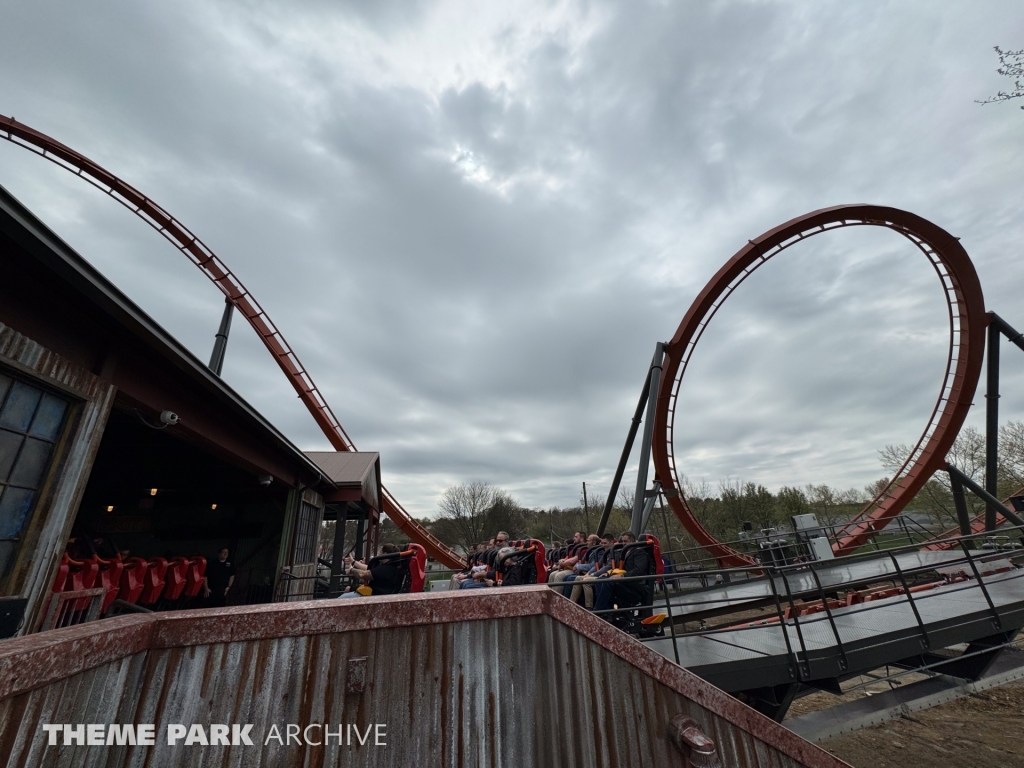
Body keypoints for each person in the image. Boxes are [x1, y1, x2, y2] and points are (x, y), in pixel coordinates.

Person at [593, 532, 653, 615]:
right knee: (600, 580)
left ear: (632, 541)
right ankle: (606, 609)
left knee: (607, 582)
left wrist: (622, 576)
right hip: (625, 580)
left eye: (626, 541)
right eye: (623, 541)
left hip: (634, 583)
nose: (624, 544)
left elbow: (638, 570)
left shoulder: (639, 553)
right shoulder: (624, 552)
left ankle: (599, 610)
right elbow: (617, 568)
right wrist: (608, 573)